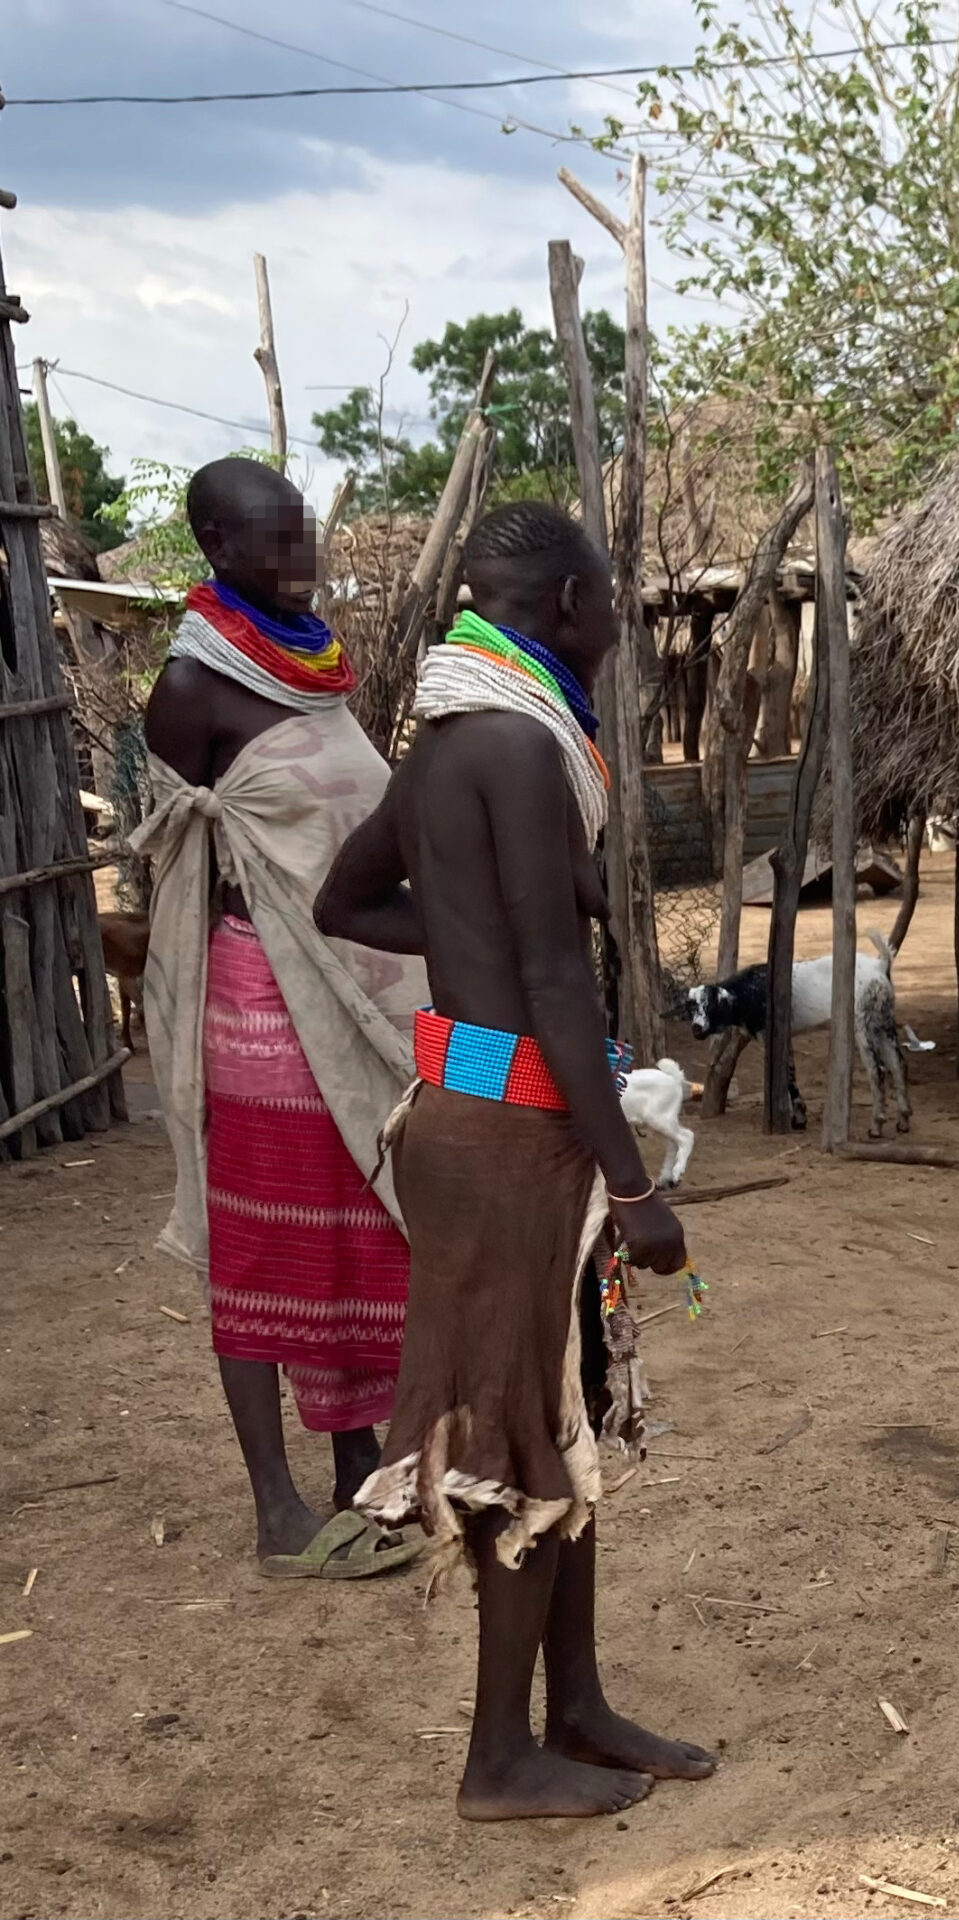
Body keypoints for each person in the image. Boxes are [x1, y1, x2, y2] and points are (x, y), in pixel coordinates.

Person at [317, 500, 713, 1821]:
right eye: (610, 606)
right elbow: (550, 981)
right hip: (509, 1142)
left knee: (563, 1412)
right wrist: (636, 1185)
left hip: (476, 1113)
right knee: (513, 1441)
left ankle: (576, 1708)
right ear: (568, 608)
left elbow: (346, 899)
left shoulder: (449, 743)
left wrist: (471, 929)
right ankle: (497, 1758)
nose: (616, 626)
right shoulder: (523, 748)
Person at [135, 459, 427, 1578]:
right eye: (275, 538)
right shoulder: (192, 687)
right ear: (215, 544)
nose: (302, 557)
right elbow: (188, 865)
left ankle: (358, 1468)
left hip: (350, 992)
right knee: (264, 1248)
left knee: (356, 1230)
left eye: (304, 533)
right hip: (262, 1006)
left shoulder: (311, 662)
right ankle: (276, 1511)